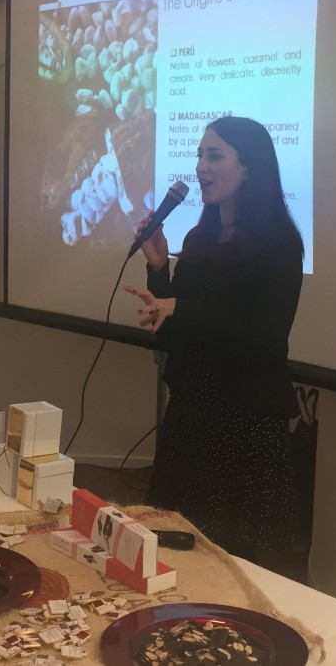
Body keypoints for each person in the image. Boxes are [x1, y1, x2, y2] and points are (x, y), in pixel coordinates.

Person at [126, 115, 305, 564]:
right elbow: (176, 333)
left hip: (242, 429)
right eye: (199, 155)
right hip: (191, 418)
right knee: (167, 552)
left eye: (214, 155)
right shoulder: (199, 238)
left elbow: (266, 343)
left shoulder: (279, 245)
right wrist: (158, 269)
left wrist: (183, 310)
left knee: (222, 565)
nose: (200, 166)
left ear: (249, 167)